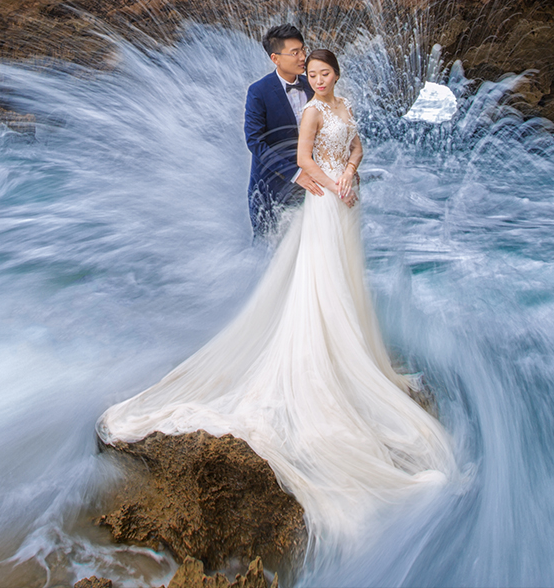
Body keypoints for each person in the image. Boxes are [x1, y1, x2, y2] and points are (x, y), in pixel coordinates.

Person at [96, 47, 456, 548]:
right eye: (309, 70)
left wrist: (352, 171)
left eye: (322, 71)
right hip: (325, 200)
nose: (317, 77)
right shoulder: (307, 109)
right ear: (291, 65)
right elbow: (300, 156)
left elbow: (355, 145)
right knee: (320, 276)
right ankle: (322, 350)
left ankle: (351, 344)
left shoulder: (341, 104)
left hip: (345, 198)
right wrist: (331, 184)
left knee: (346, 277)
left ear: (334, 74)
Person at [243, 25, 325, 237]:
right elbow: (255, 142)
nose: (302, 57)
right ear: (275, 58)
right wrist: (296, 174)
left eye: (303, 50)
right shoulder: (258, 91)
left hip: (311, 186)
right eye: (294, 53)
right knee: (268, 253)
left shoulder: (313, 86)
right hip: (270, 188)